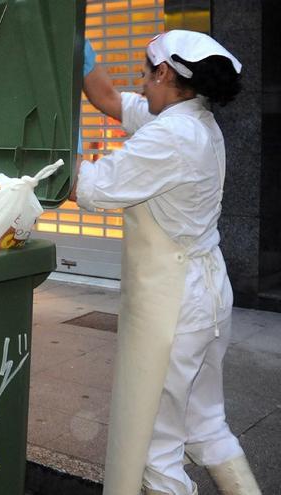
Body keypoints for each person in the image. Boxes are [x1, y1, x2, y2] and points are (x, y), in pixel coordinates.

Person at [73, 31, 260, 495]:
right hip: (207, 299)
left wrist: (61, 143)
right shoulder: (194, 120)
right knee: (207, 426)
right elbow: (112, 100)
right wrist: (78, 58)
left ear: (163, 73)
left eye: (146, 73)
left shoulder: (170, 138)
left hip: (174, 307)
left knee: (156, 452)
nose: (140, 82)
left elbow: (90, 189)